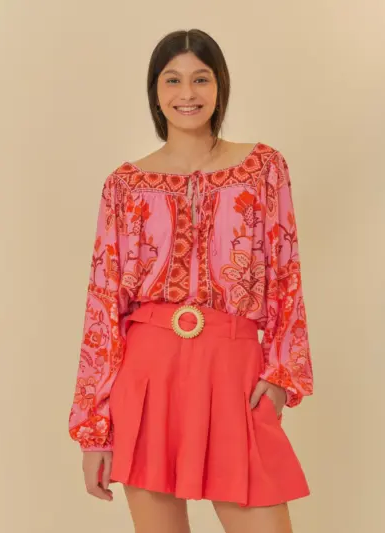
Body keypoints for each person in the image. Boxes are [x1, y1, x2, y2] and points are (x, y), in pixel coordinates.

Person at [68, 28, 313, 533]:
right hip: (147, 373)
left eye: (201, 79)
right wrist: (95, 430)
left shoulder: (263, 167)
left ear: (220, 85)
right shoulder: (124, 185)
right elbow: (104, 301)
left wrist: (282, 375)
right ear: (155, 91)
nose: (187, 93)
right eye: (172, 80)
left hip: (234, 367)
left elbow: (286, 271)